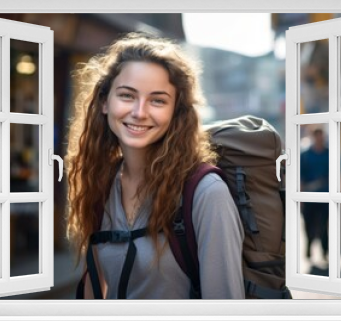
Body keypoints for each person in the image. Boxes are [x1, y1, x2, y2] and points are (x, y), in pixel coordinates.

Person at [66, 32, 245, 299]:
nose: (139, 111)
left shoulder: (206, 193)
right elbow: (96, 289)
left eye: (158, 100)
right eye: (127, 95)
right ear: (105, 102)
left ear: (176, 112)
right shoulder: (99, 184)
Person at [300, 127, 329, 261]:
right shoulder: (305, 155)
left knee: (323, 224)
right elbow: (300, 177)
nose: (319, 139)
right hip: (309, 195)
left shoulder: (329, 154)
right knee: (308, 224)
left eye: (321, 137)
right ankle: (309, 246)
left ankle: (324, 250)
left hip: (326, 195)